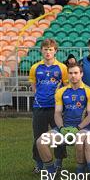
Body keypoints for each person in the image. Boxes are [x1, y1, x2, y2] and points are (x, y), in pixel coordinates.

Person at [37, 64, 90, 180]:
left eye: (76, 73)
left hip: (82, 128)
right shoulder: (61, 92)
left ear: (81, 74)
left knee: (79, 141)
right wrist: (61, 128)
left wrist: (78, 128)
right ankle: (51, 172)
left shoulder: (89, 92)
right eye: (71, 73)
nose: (73, 76)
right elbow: (57, 113)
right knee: (41, 142)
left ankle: (80, 172)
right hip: (64, 128)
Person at [29, 39, 68, 173]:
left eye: (50, 49)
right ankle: (39, 164)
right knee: (38, 136)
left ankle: (58, 163)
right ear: (41, 50)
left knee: (59, 135)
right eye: (45, 49)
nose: (48, 52)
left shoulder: (62, 67)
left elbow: (66, 86)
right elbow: (34, 86)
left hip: (56, 108)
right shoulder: (35, 67)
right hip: (39, 107)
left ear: (55, 51)